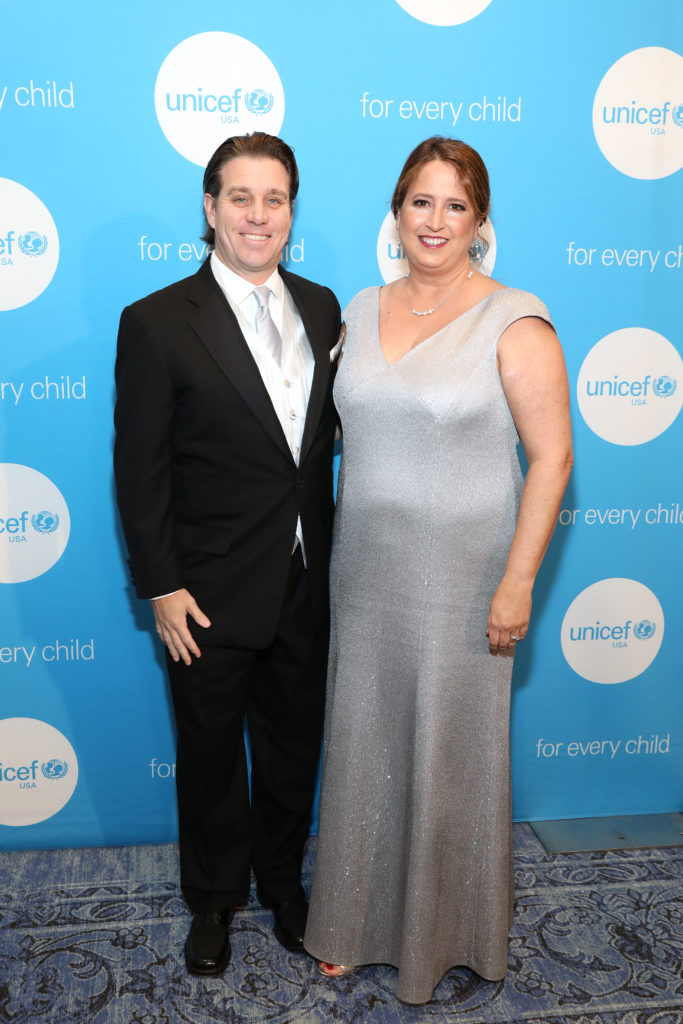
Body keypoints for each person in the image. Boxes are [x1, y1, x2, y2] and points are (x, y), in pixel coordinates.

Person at [304, 136, 573, 1003]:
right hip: (364, 573)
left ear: (479, 222)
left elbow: (553, 458)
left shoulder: (515, 319)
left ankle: (444, 936)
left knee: (449, 755)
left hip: (464, 581)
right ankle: (351, 920)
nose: (435, 220)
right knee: (365, 743)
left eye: (455, 205)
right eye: (420, 201)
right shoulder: (358, 308)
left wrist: (517, 581)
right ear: (396, 212)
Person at [114, 132, 342, 977]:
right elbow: (139, 469)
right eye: (239, 197)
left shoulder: (322, 307)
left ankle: (282, 885)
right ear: (210, 209)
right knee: (210, 755)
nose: (257, 214)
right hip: (204, 593)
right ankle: (212, 901)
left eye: (274, 199)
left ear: (290, 212)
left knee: (292, 748)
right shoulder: (157, 321)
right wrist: (161, 585)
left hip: (306, 580)